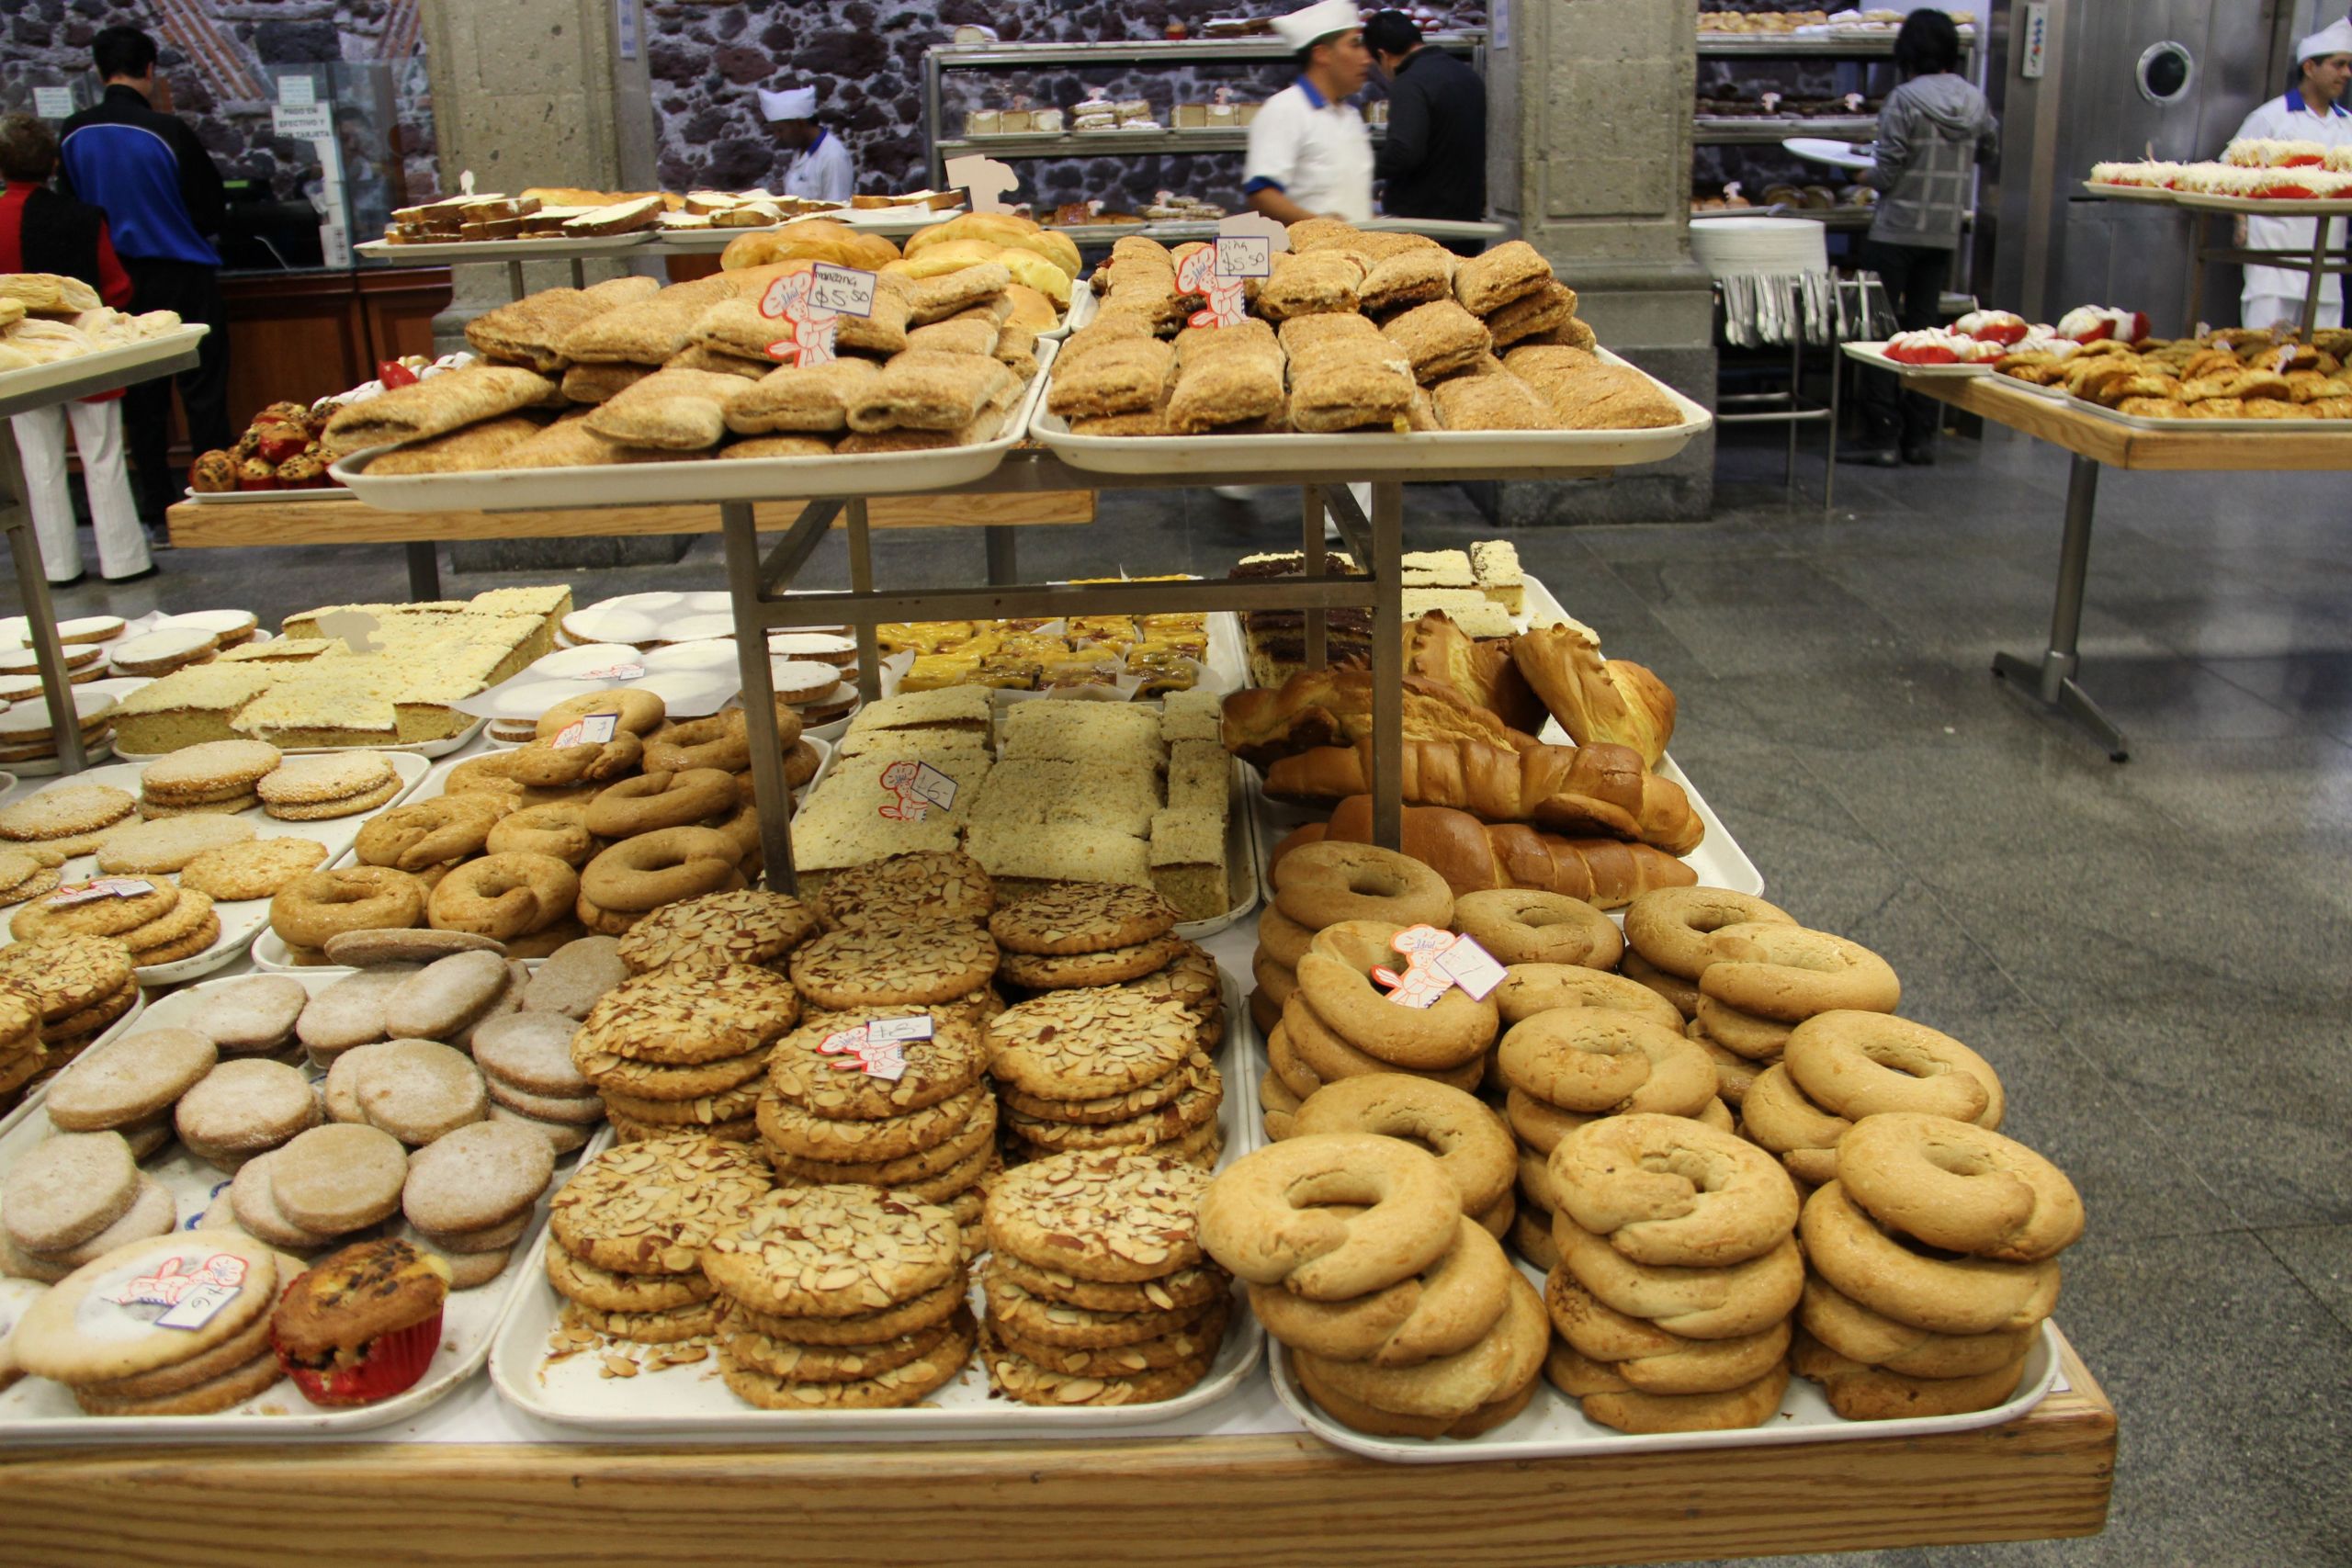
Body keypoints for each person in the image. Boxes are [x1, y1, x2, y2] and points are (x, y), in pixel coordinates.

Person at [60, 25, 231, 534]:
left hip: (117, 283)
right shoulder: (169, 132)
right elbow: (210, 211)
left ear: (98, 70)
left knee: (143, 402)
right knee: (203, 393)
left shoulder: (72, 133)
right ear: (151, 70)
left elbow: (73, 214)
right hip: (184, 274)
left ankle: (156, 508)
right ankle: (212, 501)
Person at [0, 115, 152, 584]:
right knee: (103, 454)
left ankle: (57, 567)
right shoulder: (84, 216)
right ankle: (124, 562)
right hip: (87, 351)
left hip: (22, 356)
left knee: (39, 462)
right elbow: (116, 287)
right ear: (51, 163)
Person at [1843, 7, 1997, 468]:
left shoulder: (1904, 99)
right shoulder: (1975, 100)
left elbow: (1886, 173)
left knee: (1880, 332)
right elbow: (1988, 149)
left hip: (1896, 230)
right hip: (1943, 231)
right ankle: (1921, 436)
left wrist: (1858, 172)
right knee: (1927, 332)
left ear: (1907, 52)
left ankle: (1881, 435)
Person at [2229, 20, 2352, 333]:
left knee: (2321, 358)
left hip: (2326, 268)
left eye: (2348, 66)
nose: (2346, 74)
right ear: (2310, 67)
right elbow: (2229, 171)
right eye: (2338, 65)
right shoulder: (2271, 118)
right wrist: (2240, 219)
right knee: (2263, 353)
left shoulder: (2347, 125)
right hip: (2272, 266)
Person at [1242, 0, 1374, 225]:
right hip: (1309, 256)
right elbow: (1261, 193)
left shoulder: (1349, 116)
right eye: (1354, 44)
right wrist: (1320, 226)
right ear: (1322, 54)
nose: (1366, 58)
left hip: (1351, 251)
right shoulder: (1285, 110)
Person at [1364, 10, 1486, 235]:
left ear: (1383, 55)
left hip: (1426, 226)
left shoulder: (1409, 83)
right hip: (1468, 220)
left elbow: (1404, 152)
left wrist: (1360, 168)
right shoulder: (1467, 75)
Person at [761, 86, 854, 203]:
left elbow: (836, 211)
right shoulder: (801, 150)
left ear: (799, 124)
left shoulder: (833, 157)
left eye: (781, 130)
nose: (778, 136)